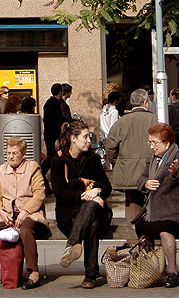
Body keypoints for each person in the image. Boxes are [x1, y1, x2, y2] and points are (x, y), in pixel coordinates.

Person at [135, 123, 179, 288]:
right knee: (141, 225)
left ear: (167, 143)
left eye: (155, 143)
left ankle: (172, 271)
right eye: (150, 142)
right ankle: (153, 268)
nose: (151, 147)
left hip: (177, 209)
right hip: (154, 209)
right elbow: (140, 179)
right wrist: (146, 183)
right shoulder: (152, 159)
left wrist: (178, 174)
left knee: (165, 227)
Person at [51, 120, 112, 289]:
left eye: (89, 137)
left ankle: (71, 245)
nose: (88, 141)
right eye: (85, 137)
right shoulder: (58, 161)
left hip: (97, 210)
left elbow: (107, 187)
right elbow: (60, 193)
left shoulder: (93, 159)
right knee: (92, 225)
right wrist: (84, 196)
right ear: (73, 138)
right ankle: (90, 276)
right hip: (68, 214)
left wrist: (96, 192)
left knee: (93, 210)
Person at [0, 136, 51, 290]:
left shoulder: (33, 167)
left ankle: (33, 271)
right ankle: (8, 263)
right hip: (7, 213)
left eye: (14, 153)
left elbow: (40, 194)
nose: (10, 156)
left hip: (29, 213)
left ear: (23, 153)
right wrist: (0, 211)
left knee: (25, 230)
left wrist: (25, 211)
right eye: (8, 153)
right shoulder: (2, 170)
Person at [104, 88, 158, 221]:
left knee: (132, 206)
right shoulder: (154, 119)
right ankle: (153, 239)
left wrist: (117, 163)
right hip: (151, 169)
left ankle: (134, 240)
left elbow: (110, 146)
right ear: (145, 103)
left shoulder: (121, 121)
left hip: (128, 171)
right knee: (153, 205)